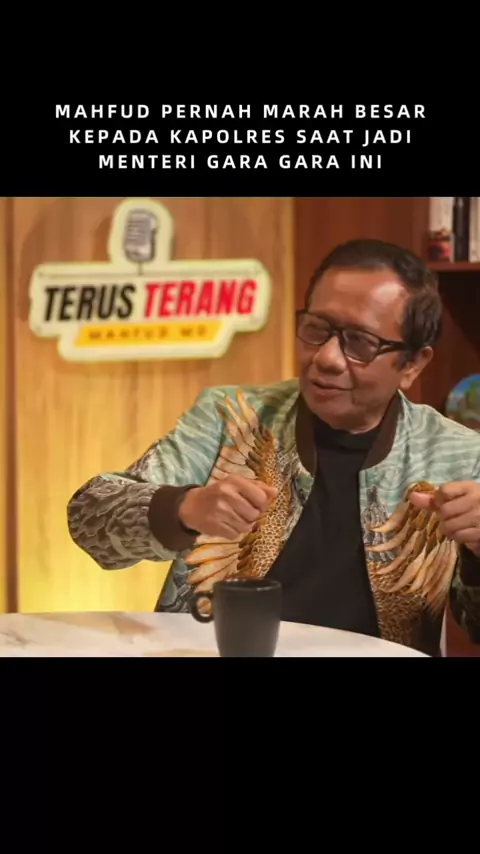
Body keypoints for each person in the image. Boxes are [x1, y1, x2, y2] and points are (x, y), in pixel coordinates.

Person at [67, 238, 480, 656]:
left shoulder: (460, 455)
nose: (327, 358)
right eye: (317, 330)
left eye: (359, 342)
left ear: (412, 364)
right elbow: (89, 517)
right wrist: (184, 507)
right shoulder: (230, 417)